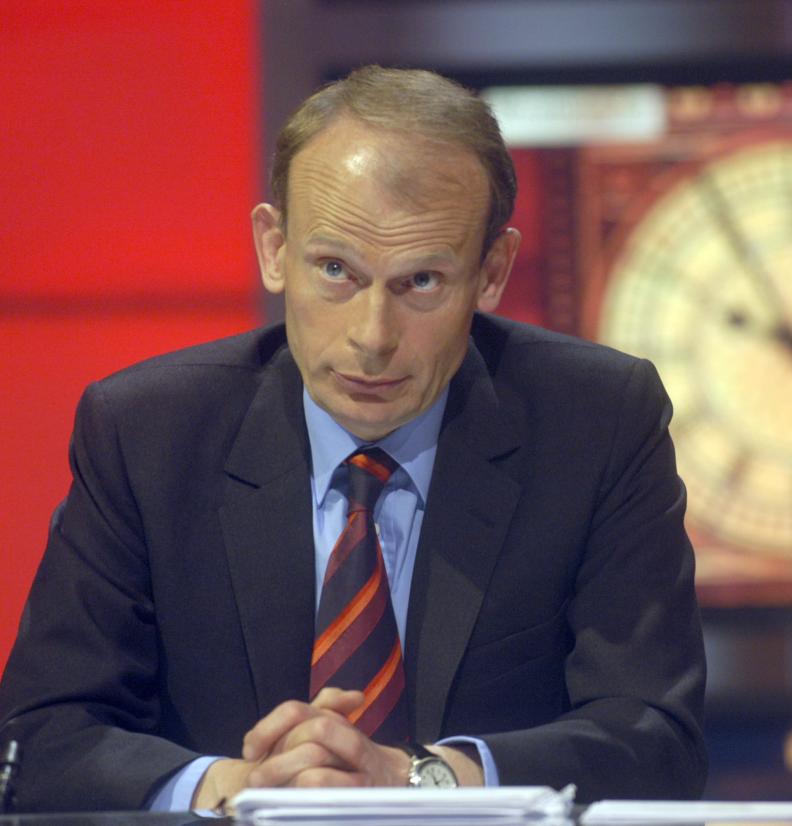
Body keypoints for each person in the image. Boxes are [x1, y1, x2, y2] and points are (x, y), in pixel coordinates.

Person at [0, 65, 707, 812]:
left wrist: (418, 781)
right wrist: (236, 789)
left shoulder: (596, 423)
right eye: (336, 269)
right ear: (274, 248)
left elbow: (657, 740)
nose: (373, 338)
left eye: (422, 282)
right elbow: (39, 742)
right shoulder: (147, 434)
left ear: (491, 272)